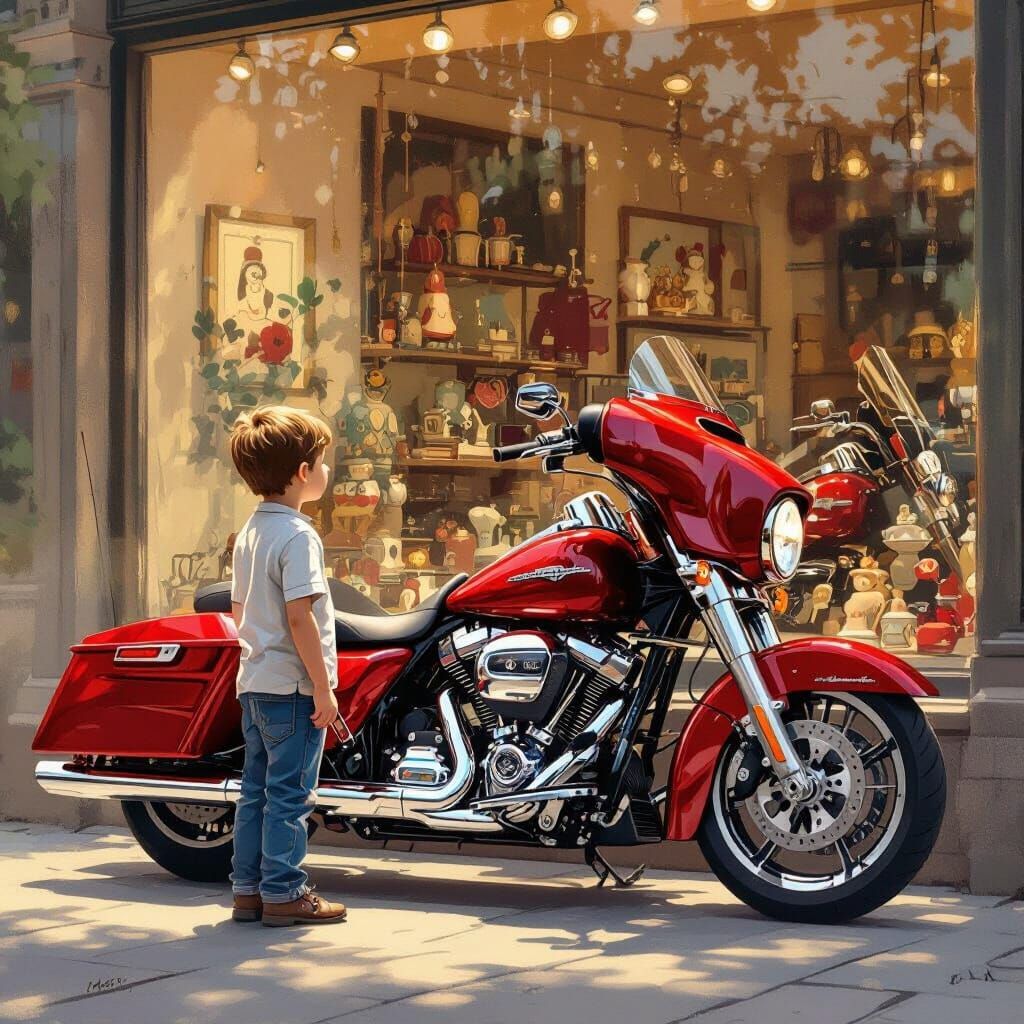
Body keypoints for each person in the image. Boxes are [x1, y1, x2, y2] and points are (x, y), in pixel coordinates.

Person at [227, 406, 348, 927]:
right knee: (291, 797)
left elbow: (237, 611)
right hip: (293, 691)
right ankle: (284, 892)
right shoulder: (300, 536)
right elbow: (302, 618)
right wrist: (323, 689)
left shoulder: (250, 532)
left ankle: (247, 890)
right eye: (322, 461)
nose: (326, 470)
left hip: (254, 685)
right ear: (303, 472)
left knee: (255, 793)